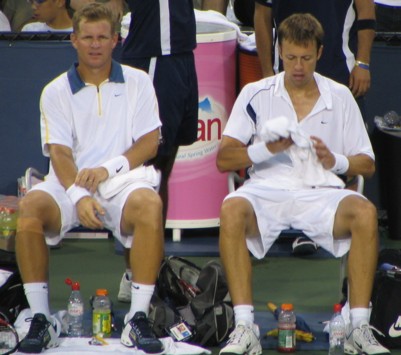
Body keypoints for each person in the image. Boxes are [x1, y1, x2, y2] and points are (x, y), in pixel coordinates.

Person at [217, 13, 390, 355]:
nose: (298, 66)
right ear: (281, 52)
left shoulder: (340, 96)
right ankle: (243, 326)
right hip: (266, 190)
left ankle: (359, 327)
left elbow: (366, 164)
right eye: (292, 57)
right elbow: (224, 159)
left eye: (306, 58)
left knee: (366, 213)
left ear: (320, 54)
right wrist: (266, 149)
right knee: (232, 208)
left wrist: (335, 161)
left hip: (321, 192)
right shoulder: (255, 93)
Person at [16, 3, 164, 354]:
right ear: (74, 40)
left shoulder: (139, 82)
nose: (95, 45)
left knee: (150, 205)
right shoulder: (54, 91)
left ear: (116, 40)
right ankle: (41, 319)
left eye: (102, 38)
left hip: (121, 184)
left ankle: (137, 319)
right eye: (87, 38)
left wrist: (108, 169)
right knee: (31, 207)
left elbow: (150, 142)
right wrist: (79, 196)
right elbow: (60, 153)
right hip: (69, 186)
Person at [100, 0, 199, 303]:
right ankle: (134, 273)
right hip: (152, 56)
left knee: (164, 167)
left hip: (181, 55)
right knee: (145, 170)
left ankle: (152, 266)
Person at [253, 0, 376, 103]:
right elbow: (262, 15)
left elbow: (366, 12)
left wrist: (362, 63)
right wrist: (267, 73)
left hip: (340, 71)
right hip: (286, 73)